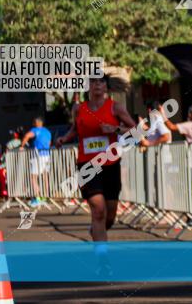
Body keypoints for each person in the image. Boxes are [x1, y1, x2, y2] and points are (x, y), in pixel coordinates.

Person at [55, 76, 136, 244]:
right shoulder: (79, 108)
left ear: (106, 87)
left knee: (110, 216)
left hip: (110, 164)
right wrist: (64, 138)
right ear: (88, 87)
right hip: (87, 165)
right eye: (93, 82)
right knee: (98, 210)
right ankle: (102, 261)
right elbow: (75, 129)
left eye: (100, 82)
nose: (97, 85)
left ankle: (96, 230)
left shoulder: (115, 107)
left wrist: (115, 128)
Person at [21, 117, 52, 207]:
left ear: (36, 123)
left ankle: (37, 198)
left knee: (33, 177)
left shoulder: (35, 130)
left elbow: (27, 136)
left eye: (33, 123)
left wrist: (22, 146)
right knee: (45, 176)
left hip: (38, 156)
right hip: (47, 155)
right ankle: (46, 197)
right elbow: (49, 143)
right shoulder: (47, 131)